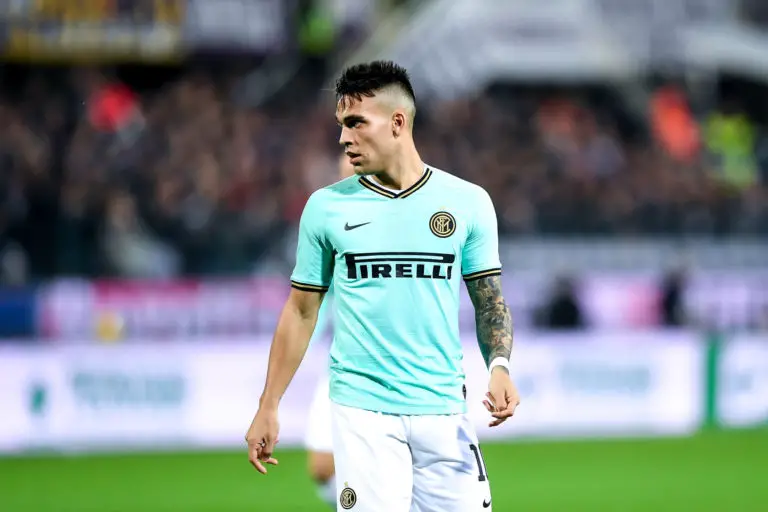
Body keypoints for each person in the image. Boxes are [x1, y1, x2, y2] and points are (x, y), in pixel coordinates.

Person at [246, 61, 520, 512]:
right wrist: (269, 403)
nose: (343, 138)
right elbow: (301, 310)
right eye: (341, 124)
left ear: (397, 122)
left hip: (443, 408)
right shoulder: (325, 208)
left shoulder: (468, 203)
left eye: (356, 123)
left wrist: (500, 366)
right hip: (362, 412)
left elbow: (489, 301)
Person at [304, 154, 355, 508]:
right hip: (339, 364)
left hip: (387, 370)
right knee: (322, 467)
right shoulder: (330, 228)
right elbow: (316, 297)